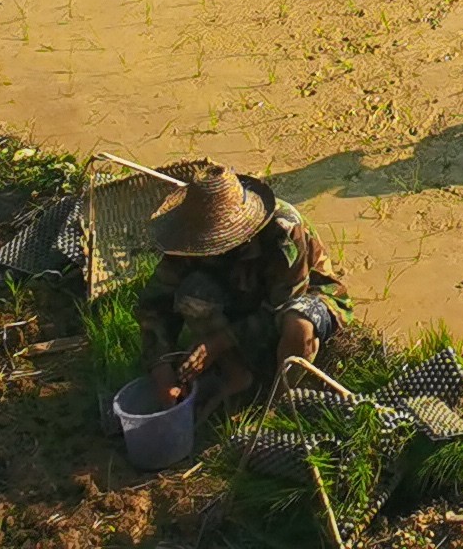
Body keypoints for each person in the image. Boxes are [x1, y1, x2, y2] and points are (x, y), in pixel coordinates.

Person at [139, 160, 344, 414]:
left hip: (295, 296)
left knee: (298, 324)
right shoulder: (189, 232)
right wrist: (160, 367)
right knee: (192, 294)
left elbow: (280, 305)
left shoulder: (284, 231)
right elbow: (154, 304)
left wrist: (219, 341)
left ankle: (277, 402)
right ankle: (237, 375)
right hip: (240, 293)